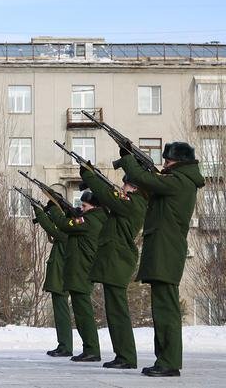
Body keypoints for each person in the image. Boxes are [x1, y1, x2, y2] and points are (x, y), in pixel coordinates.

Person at [117, 142, 204, 377]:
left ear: (181, 162)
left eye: (168, 160)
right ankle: (164, 359)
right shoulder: (176, 180)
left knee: (166, 310)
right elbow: (149, 188)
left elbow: (144, 180)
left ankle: (169, 362)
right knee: (162, 309)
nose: (164, 164)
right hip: (163, 250)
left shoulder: (180, 181)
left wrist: (128, 159)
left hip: (166, 251)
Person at [82, 167, 147, 370]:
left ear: (135, 188)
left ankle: (126, 356)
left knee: (118, 311)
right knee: (114, 311)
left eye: (126, 184)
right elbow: (109, 201)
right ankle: (122, 354)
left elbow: (107, 196)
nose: (122, 187)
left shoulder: (134, 203)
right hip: (115, 260)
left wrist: (89, 176)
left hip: (119, 260)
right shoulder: (130, 203)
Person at [48, 191, 106, 362]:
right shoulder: (95, 219)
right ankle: (90, 348)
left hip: (81, 271)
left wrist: (54, 209)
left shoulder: (90, 220)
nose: (82, 209)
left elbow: (63, 225)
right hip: (81, 270)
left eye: (85, 206)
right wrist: (68, 211)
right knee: (81, 313)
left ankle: (92, 349)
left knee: (83, 313)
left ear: (94, 207)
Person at [33, 203, 72, 357]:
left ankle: (65, 345)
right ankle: (63, 344)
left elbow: (51, 228)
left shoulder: (68, 233)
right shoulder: (69, 232)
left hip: (61, 277)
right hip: (61, 276)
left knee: (62, 313)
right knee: (60, 312)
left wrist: (39, 211)